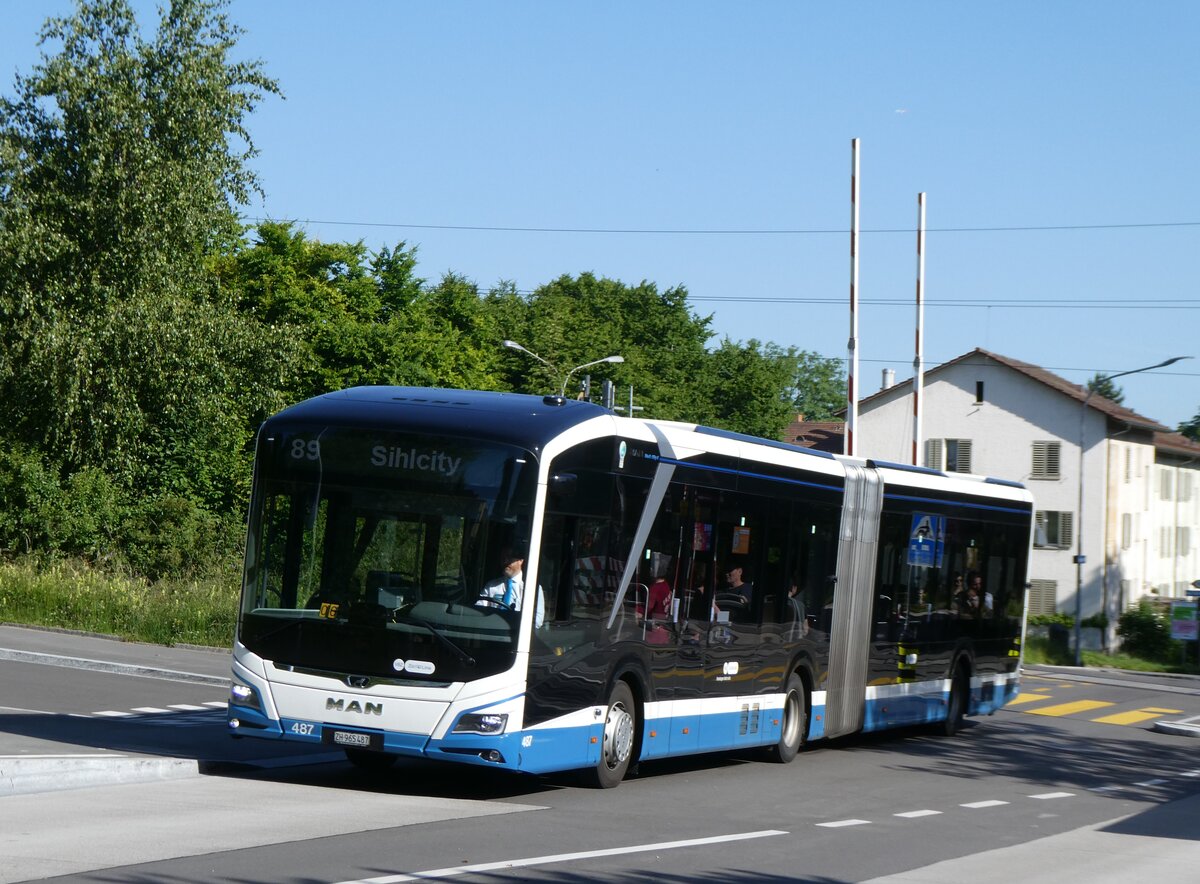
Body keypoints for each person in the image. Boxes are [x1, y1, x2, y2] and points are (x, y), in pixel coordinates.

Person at [479, 548, 544, 627]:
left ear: (520, 561)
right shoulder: (491, 586)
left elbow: (538, 620)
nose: (505, 561)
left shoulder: (533, 588)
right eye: (503, 558)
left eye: (509, 557)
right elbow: (479, 610)